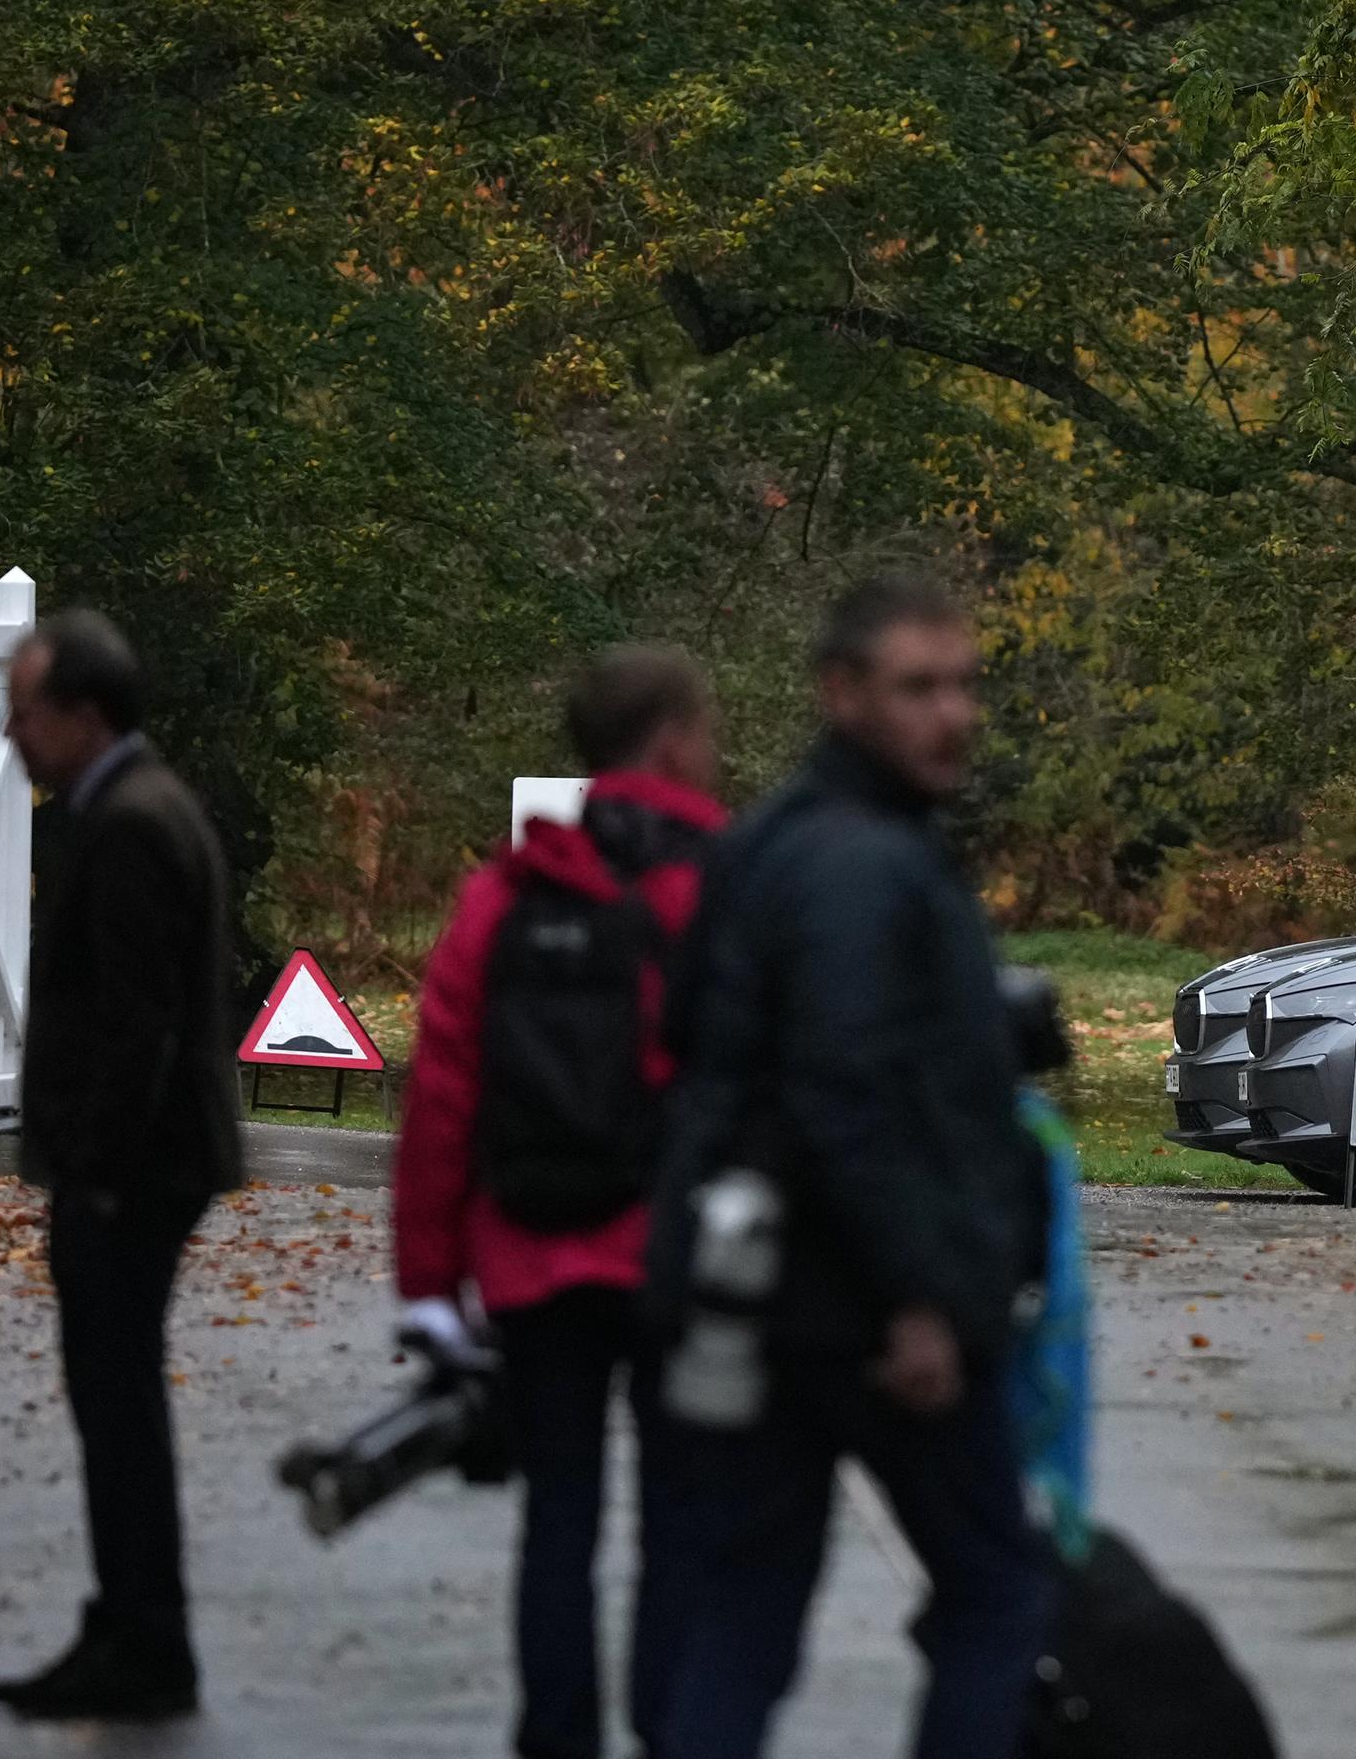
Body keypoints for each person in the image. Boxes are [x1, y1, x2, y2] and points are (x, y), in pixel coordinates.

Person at [644, 574, 1052, 1759]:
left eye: (965, 685)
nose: (954, 715)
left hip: (759, 1293)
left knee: (747, 1609)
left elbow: (697, 1048)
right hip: (867, 1313)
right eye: (918, 687)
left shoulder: (771, 841)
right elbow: (846, 1092)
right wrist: (920, 1294)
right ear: (841, 694)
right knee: (994, 1595)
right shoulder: (859, 865)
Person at [394, 644, 726, 1759]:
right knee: (682, 1523)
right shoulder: (718, 887)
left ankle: (558, 1738)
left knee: (560, 1524)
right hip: (681, 1264)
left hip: (534, 1258)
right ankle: (674, 1730)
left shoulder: (506, 897)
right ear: (673, 741)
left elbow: (443, 1095)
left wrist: (430, 1285)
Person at [0, 610, 240, 1720]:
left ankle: (143, 1635)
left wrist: (92, 1176)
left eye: (26, 712)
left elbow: (136, 1026)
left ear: (84, 716)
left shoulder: (130, 824)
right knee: (117, 1398)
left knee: (117, 1400)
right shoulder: (137, 805)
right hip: (143, 1165)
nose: (11, 734)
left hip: (134, 1175)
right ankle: (133, 1622)